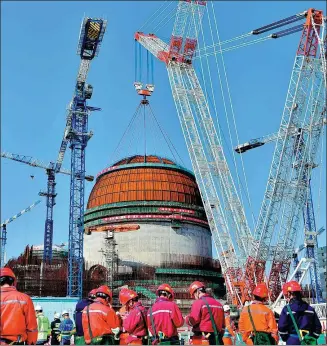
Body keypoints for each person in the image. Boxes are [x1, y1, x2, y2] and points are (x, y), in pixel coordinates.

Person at [0, 267, 38, 345]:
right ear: (14, 282)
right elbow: (32, 327)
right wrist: (31, 343)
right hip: (17, 342)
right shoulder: (25, 299)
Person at [278, 281, 322, 345]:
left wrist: (286, 338)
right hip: (308, 341)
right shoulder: (310, 309)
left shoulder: (286, 309)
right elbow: (317, 327)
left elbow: (281, 327)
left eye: (287, 295)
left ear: (290, 293)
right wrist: (312, 337)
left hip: (292, 340)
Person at [185, 281, 225, 345]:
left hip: (203, 339)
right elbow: (223, 326)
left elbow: (193, 320)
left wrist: (187, 318)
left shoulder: (198, 303)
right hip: (218, 338)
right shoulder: (219, 304)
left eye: (194, 295)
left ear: (198, 292)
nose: (194, 297)